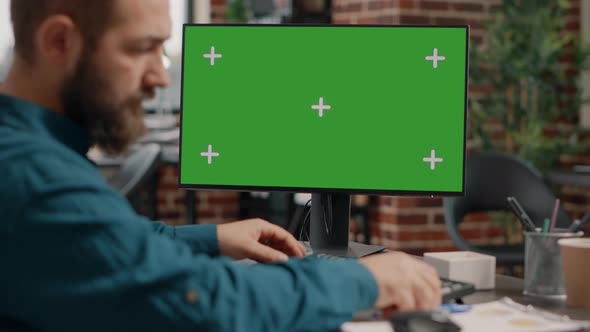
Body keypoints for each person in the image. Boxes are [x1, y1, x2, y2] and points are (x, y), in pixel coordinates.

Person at [0, 0, 441, 331]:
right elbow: (202, 303)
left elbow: (106, 239)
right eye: (142, 49)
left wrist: (212, 237)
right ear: (58, 41)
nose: (160, 76)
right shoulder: (32, 178)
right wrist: (363, 281)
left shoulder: (31, 154)